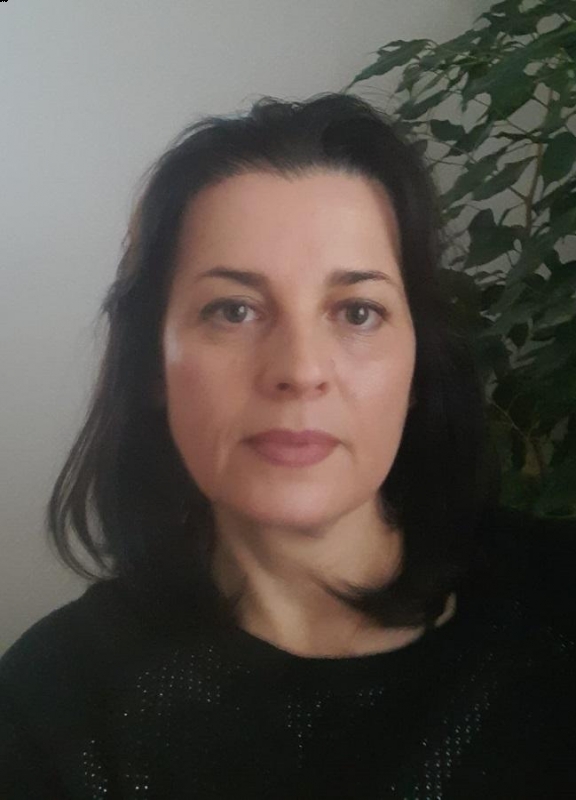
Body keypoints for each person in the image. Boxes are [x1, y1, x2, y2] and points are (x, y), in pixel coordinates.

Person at [0, 92, 574, 800]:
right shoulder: (48, 706)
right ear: (153, 364)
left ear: (417, 368)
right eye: (234, 310)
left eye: (357, 312)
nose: (300, 371)